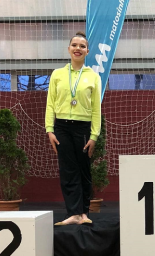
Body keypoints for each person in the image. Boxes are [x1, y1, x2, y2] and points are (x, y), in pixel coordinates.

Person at [45, 31, 101, 224]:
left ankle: (84, 213)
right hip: (61, 127)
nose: (78, 48)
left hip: (83, 128)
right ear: (69, 49)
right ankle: (73, 214)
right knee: (67, 170)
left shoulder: (93, 76)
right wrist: (49, 130)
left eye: (82, 46)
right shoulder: (57, 74)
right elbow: (50, 103)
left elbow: (96, 109)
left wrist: (94, 135)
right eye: (74, 45)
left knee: (83, 169)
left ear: (87, 51)